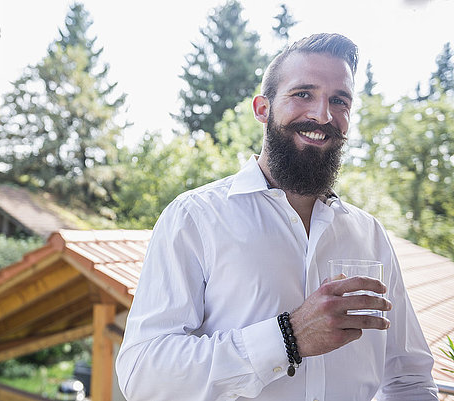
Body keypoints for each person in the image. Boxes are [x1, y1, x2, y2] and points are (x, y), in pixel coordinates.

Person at [115, 33, 438, 400]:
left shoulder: (371, 234)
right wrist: (289, 337)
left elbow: (410, 380)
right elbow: (143, 375)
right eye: (303, 94)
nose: (322, 114)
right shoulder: (195, 218)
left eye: (339, 100)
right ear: (262, 109)